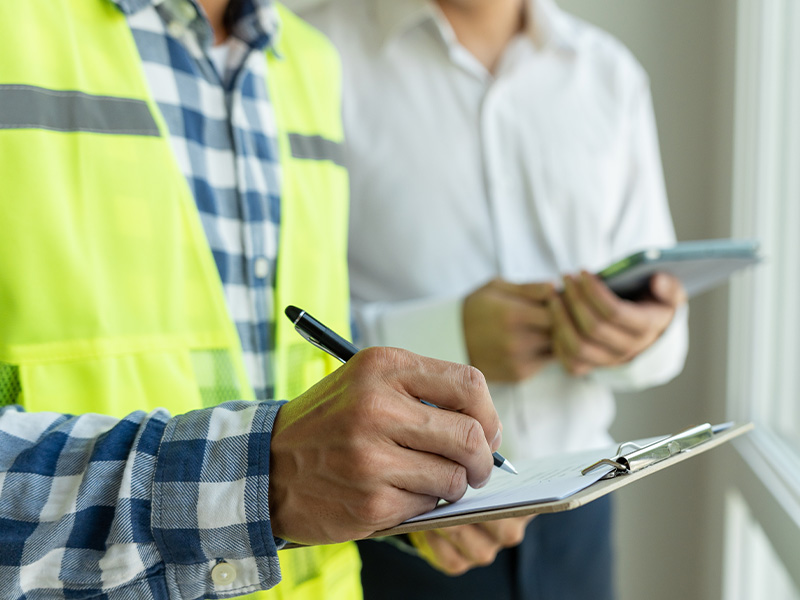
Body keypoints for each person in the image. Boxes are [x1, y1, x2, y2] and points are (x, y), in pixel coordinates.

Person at [0, 1, 505, 599]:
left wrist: (395, 481)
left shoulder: (308, 61)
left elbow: (294, 378)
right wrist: (260, 479)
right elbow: (276, 461)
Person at [295, 0, 690, 598]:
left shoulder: (610, 74)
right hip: (406, 517)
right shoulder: (311, 57)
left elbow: (666, 328)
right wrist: (452, 338)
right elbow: (281, 325)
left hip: (579, 514)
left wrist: (639, 336)